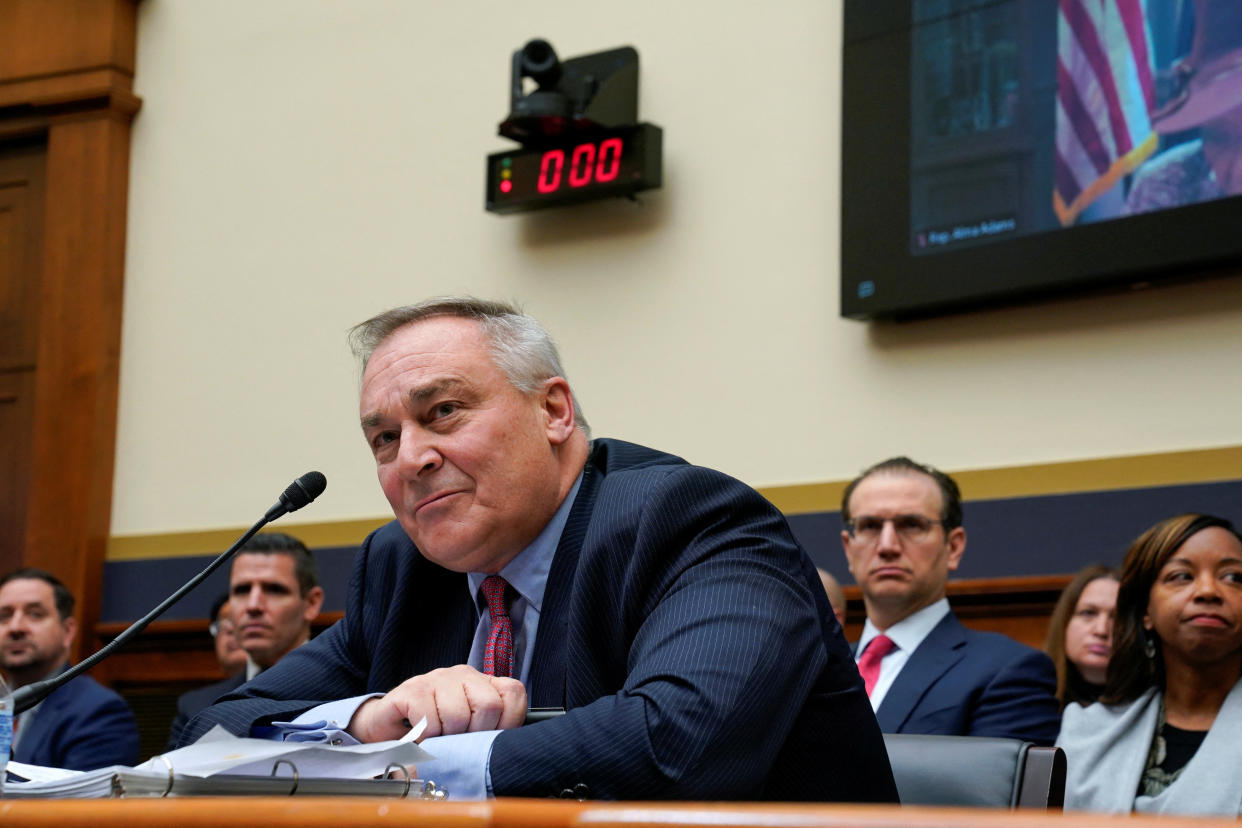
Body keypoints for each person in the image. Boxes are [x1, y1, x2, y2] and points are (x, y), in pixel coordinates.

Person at [182, 297, 897, 803]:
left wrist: (405, 763)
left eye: (443, 412)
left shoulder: (692, 523)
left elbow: (675, 746)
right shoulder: (400, 566)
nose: (411, 458)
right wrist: (367, 720)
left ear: (554, 411)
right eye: (384, 439)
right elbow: (210, 726)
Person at [840, 457, 1060, 743]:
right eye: (869, 526)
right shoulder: (816, 670)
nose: (887, 546)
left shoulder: (1008, 670)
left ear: (953, 547)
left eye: (911, 525)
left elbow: (991, 787)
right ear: (848, 549)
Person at [1058, 513, 1242, 816]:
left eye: (1234, 577)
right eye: (1181, 576)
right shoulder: (1086, 732)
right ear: (1146, 611)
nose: (1208, 591)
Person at [166, 532, 324, 749]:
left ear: (311, 604)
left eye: (274, 589)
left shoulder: (354, 697)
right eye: (242, 590)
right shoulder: (196, 709)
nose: (253, 605)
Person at [0, 568, 141, 770]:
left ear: (68, 631)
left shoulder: (99, 711)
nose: (15, 627)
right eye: (4, 616)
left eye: (35, 614)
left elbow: (83, 799)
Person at [1045, 565, 1120, 708]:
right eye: (1088, 613)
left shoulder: (1155, 709)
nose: (1101, 630)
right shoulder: (1032, 697)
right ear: (1065, 622)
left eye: (1117, 618)